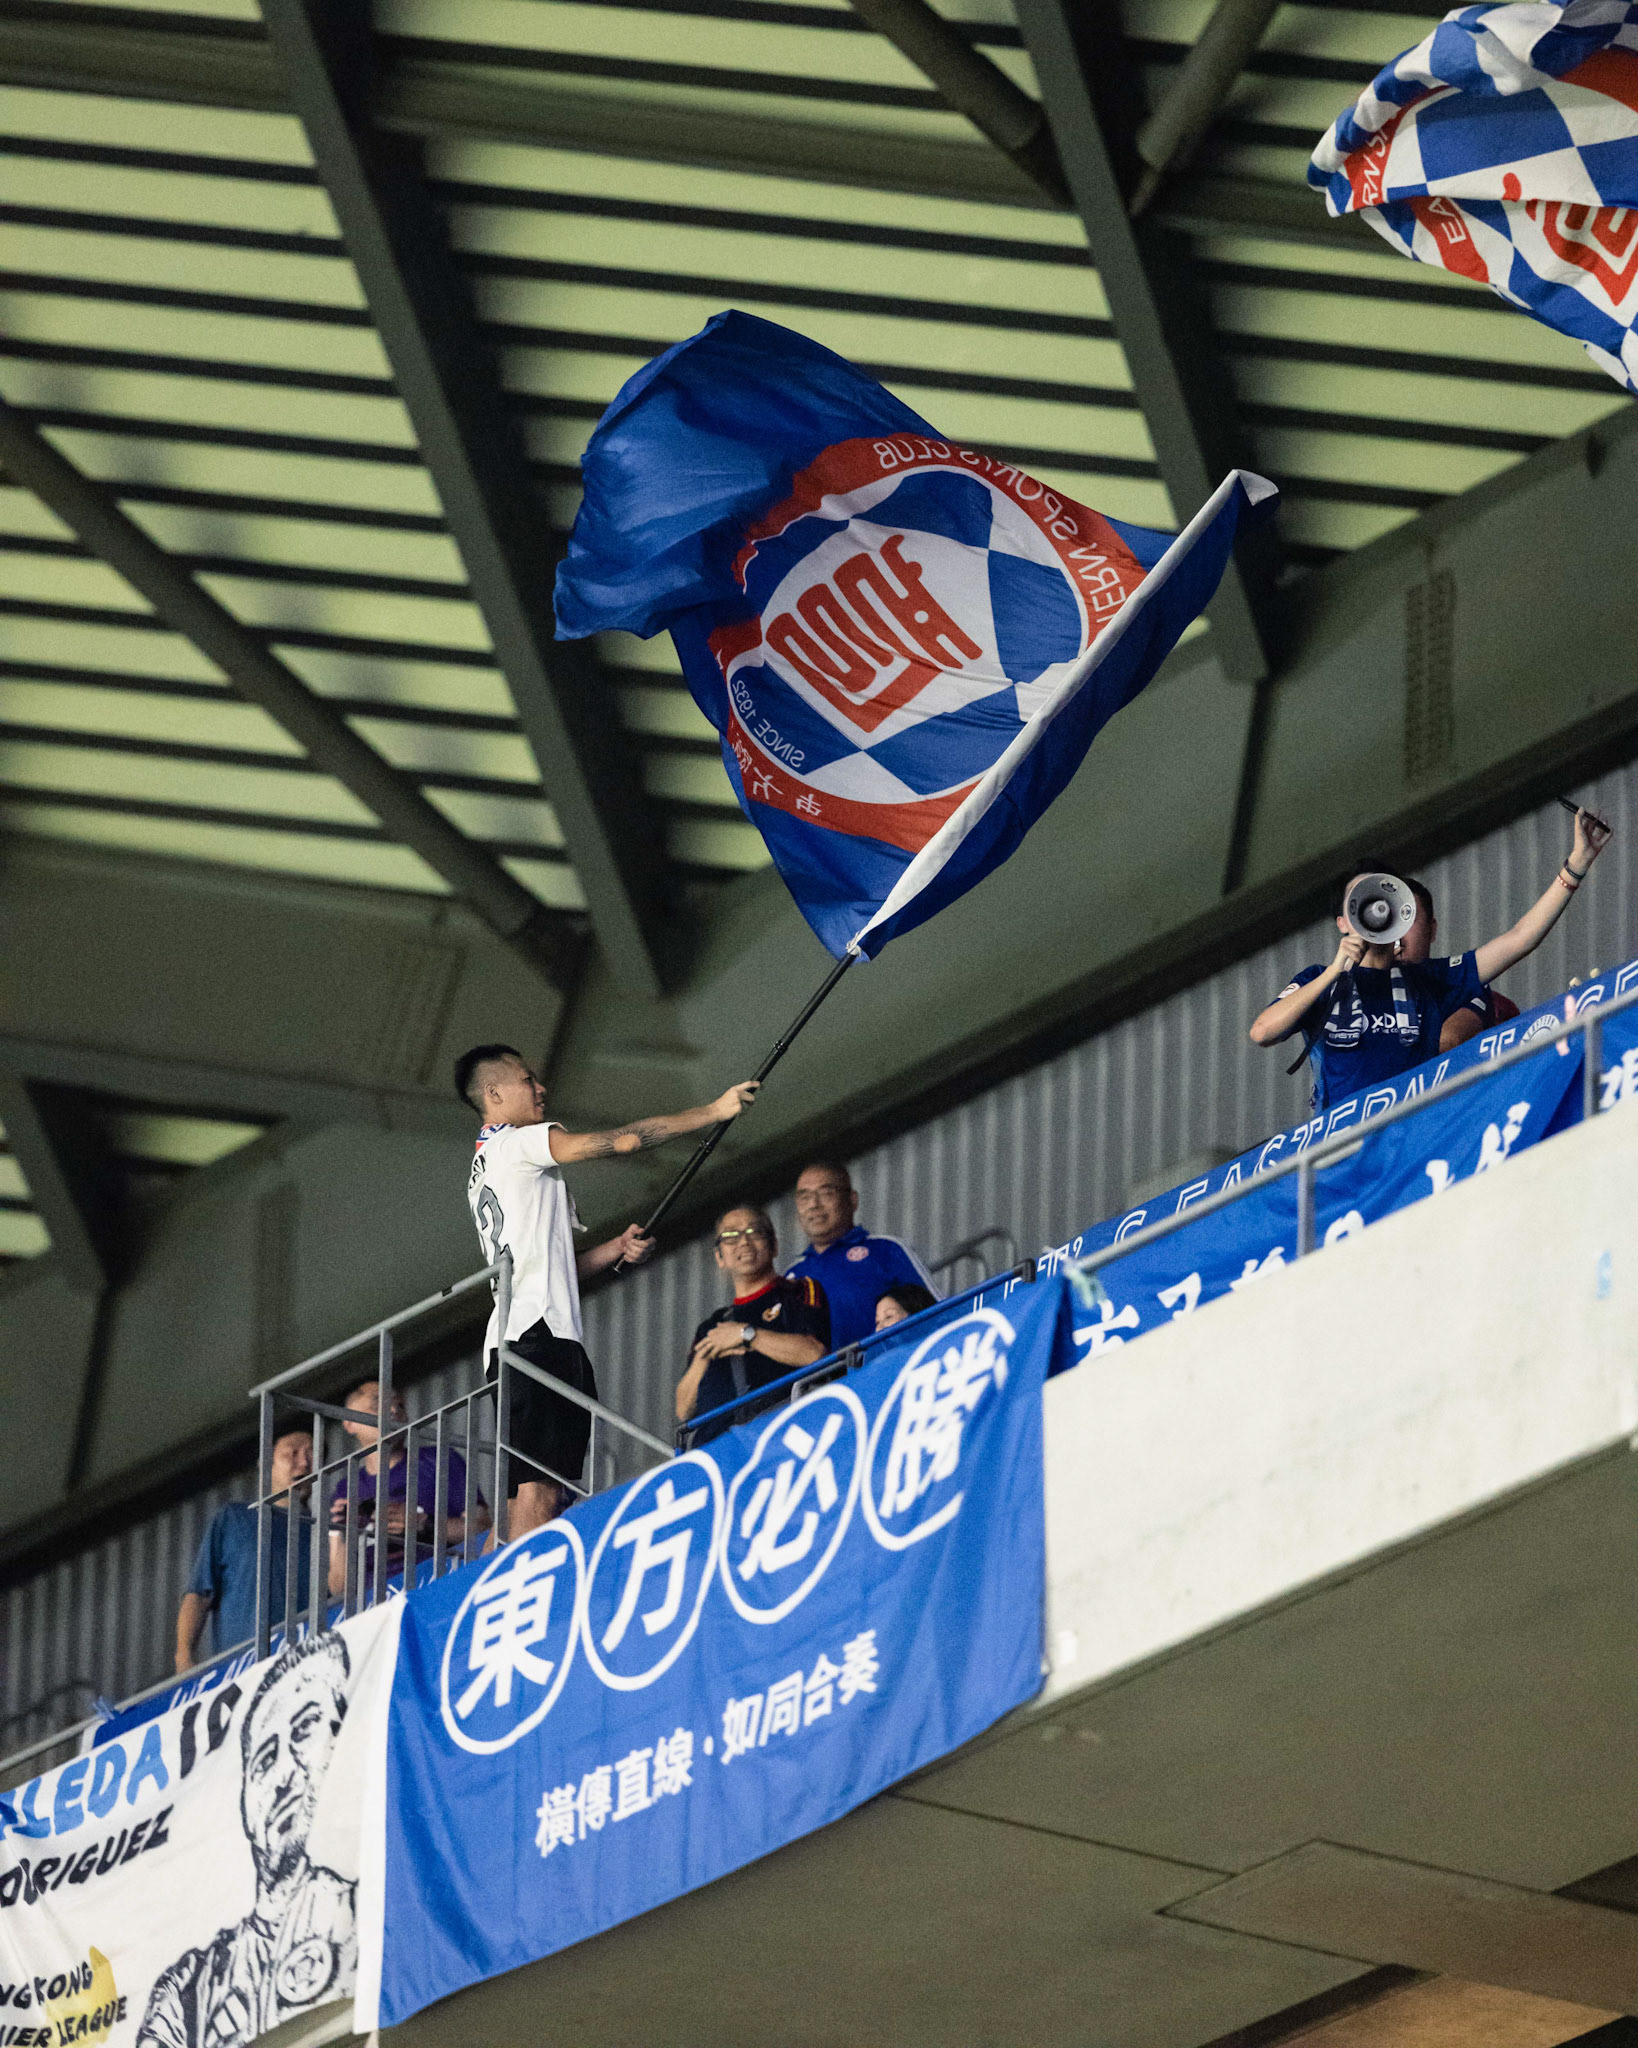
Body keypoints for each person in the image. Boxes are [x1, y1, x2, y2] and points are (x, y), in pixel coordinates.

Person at [456, 1043, 759, 1537]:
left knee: (525, 1493)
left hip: (515, 1336)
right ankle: (522, 1596)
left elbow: (553, 1267)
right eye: (527, 1079)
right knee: (541, 1489)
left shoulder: (486, 1165)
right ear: (494, 1092)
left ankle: (492, 1596)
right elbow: (625, 1142)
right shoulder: (520, 1142)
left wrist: (615, 1248)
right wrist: (714, 1110)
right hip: (538, 1336)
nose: (540, 1088)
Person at [1250, 809, 1612, 1110]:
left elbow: (1518, 940)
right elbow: (1263, 1031)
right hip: (1342, 1157)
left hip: (1411, 1146)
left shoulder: (1428, 979)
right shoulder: (1318, 979)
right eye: (1359, 903)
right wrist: (1333, 973)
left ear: (1399, 911)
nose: (1373, 911)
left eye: (1381, 898)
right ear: (1342, 922)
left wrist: (1577, 864)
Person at [139, 1633, 356, 2048]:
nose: (283, 1775)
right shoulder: (188, 1990)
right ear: (243, 1804)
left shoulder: (379, 1906)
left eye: (305, 1729)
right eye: (264, 1760)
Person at [675, 1205, 830, 1440]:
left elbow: (815, 1354)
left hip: (782, 1434)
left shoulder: (798, 1290)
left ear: (774, 1245)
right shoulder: (712, 1326)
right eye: (730, 1236)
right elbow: (683, 1410)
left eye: (754, 1232)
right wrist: (703, 1357)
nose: (744, 1242)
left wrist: (747, 1335)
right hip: (717, 1453)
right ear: (719, 1257)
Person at [325, 1379, 487, 1595]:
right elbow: (338, 1586)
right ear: (349, 1424)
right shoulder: (345, 1490)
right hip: (376, 1608)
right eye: (378, 1405)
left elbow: (484, 1527)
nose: (393, 1410)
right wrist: (349, 1534)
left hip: (439, 1587)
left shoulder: (439, 1460)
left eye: (399, 1405)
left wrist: (425, 1525)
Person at [176, 1429, 313, 1671]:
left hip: (306, 1664)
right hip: (242, 1671)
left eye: (313, 1454)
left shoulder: (328, 1531)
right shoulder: (235, 1518)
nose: (304, 1462)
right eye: (292, 1453)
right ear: (267, 1462)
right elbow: (199, 1594)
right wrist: (184, 1658)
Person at [785, 1160, 937, 1349]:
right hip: (831, 1379)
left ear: (852, 1200)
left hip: (892, 1367)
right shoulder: (791, 1276)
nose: (814, 1205)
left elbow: (937, 1313)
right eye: (804, 1197)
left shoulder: (886, 1249)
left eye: (826, 1193)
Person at [1395, 875, 1520, 1052]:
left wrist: (1570, 874)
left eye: (1407, 918)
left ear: (1432, 930)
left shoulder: (1458, 980)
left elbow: (1448, 1042)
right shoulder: (1359, 990)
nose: (1396, 935)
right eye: (1388, 923)